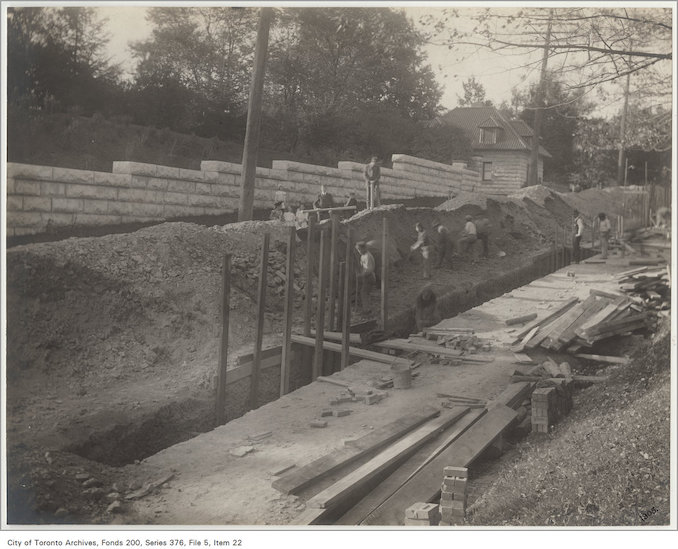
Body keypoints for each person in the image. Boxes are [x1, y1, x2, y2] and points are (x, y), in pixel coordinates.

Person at [355, 241, 376, 314]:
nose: (359, 251)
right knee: (365, 293)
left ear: (363, 248)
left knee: (364, 293)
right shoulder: (362, 256)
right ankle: (367, 309)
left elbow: (369, 269)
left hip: (369, 277)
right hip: (366, 277)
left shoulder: (367, 256)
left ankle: (367, 310)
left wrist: (361, 275)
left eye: (359, 249)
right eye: (358, 250)